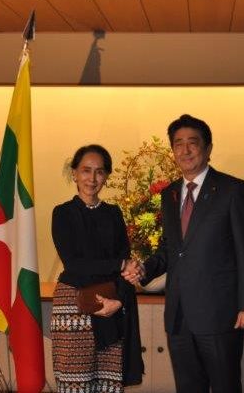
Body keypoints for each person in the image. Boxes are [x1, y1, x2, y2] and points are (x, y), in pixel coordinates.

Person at [123, 114, 244, 393]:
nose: (185, 150)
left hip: (220, 313)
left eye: (192, 143)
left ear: (208, 148)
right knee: (188, 387)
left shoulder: (232, 189)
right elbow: (171, 250)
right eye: (178, 144)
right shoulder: (170, 194)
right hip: (179, 314)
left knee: (225, 386)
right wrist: (144, 269)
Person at [50, 144, 143, 393]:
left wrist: (119, 301)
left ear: (106, 177)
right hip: (73, 305)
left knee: (109, 384)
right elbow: (74, 264)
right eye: (86, 171)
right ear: (74, 174)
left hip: (110, 306)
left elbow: (124, 262)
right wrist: (119, 264)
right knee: (75, 384)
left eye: (99, 172)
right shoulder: (62, 213)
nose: (92, 178)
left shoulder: (114, 213)